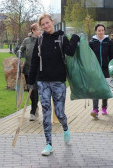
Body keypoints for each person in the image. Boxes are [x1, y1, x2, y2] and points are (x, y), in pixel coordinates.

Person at [28, 14, 80, 156]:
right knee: (46, 114)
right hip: (43, 82)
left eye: (47, 23)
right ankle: (49, 144)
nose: (45, 26)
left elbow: (70, 52)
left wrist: (74, 38)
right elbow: (34, 62)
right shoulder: (39, 40)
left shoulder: (61, 38)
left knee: (59, 113)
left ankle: (65, 127)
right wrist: (31, 82)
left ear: (52, 22)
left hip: (58, 82)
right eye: (42, 24)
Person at [89, 24, 113, 118]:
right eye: (99, 30)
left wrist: (112, 67)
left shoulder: (108, 42)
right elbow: (89, 56)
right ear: (95, 31)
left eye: (102, 30)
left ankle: (104, 107)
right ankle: (95, 109)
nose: (101, 32)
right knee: (95, 89)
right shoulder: (92, 42)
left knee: (106, 89)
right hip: (95, 69)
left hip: (106, 69)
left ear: (104, 31)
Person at [19, 23, 42, 121]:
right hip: (28, 69)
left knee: (35, 89)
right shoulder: (26, 40)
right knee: (29, 90)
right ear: (33, 30)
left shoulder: (41, 40)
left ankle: (32, 111)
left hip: (37, 70)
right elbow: (21, 49)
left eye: (40, 30)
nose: (39, 32)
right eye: (37, 30)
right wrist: (19, 52)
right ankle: (35, 106)